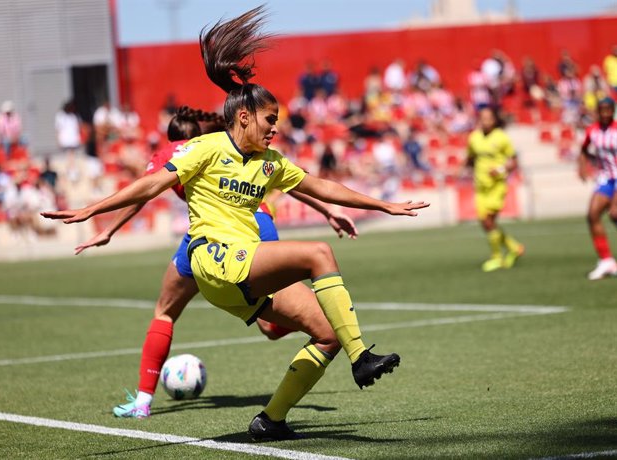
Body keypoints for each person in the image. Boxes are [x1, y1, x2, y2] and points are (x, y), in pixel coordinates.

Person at [42, 6, 428, 441]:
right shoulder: (205, 149)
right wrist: (92, 210)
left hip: (239, 274)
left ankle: (271, 420)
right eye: (269, 121)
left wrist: (384, 205)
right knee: (318, 253)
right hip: (212, 258)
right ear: (244, 117)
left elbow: (319, 186)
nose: (274, 131)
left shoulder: (270, 162)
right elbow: (150, 186)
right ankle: (362, 358)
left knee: (326, 334)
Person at [73, 106, 359, 419]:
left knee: (165, 311)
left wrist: (109, 229)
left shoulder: (174, 151)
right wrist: (328, 211)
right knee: (269, 323)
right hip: (257, 223)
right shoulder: (223, 145)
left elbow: (145, 192)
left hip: (213, 239)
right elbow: (288, 180)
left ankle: (142, 401)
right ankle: (314, 328)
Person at [465, 107, 524, 272]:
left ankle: (497, 257)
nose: (485, 121)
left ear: (494, 120)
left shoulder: (502, 138)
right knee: (486, 223)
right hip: (480, 187)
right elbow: (469, 158)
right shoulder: (474, 138)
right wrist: (464, 170)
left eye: (489, 118)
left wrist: (499, 170)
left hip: (496, 186)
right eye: (482, 118)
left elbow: (513, 162)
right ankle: (514, 247)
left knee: (489, 220)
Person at [578, 97, 617, 280]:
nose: (605, 112)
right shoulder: (592, 131)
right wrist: (583, 166)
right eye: (602, 109)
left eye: (608, 109)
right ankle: (606, 260)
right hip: (605, 178)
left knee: (615, 214)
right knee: (592, 214)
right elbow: (584, 149)